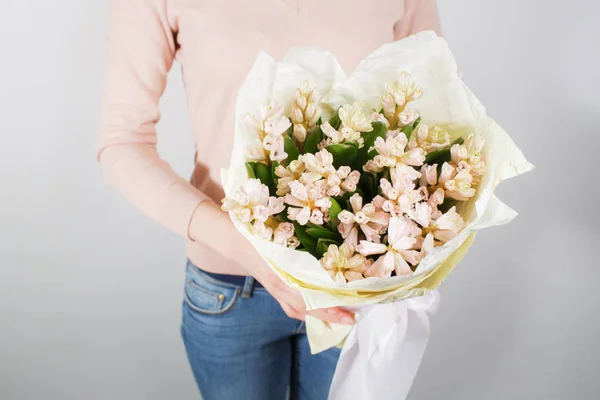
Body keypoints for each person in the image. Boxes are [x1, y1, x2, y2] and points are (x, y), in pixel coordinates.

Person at [97, 0, 441, 398]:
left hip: (359, 285)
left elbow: (435, 113)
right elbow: (122, 144)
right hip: (231, 288)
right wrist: (245, 249)